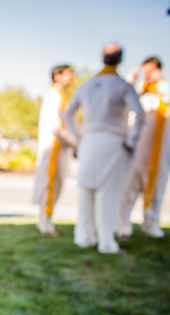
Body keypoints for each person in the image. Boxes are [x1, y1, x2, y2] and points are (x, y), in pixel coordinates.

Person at [63, 43, 145, 253]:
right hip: (112, 142)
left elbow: (68, 115)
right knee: (108, 193)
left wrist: (80, 138)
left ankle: (84, 236)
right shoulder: (123, 86)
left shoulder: (87, 85)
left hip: (89, 142)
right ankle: (106, 242)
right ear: (120, 60)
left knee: (87, 190)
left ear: (102, 58)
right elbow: (140, 114)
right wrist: (131, 141)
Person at [116, 56, 169, 238]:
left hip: (159, 152)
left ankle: (151, 225)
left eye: (149, 71)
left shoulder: (166, 91)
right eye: (144, 71)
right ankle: (122, 226)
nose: (146, 76)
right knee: (127, 189)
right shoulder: (138, 92)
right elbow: (122, 105)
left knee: (155, 191)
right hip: (136, 151)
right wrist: (132, 81)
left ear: (158, 71)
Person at [33, 65, 77, 235]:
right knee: (50, 183)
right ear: (58, 76)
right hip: (53, 148)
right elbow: (55, 126)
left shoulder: (61, 95)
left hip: (58, 148)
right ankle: (45, 223)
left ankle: (46, 221)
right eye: (69, 73)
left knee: (55, 184)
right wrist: (75, 143)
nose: (72, 76)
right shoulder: (53, 95)